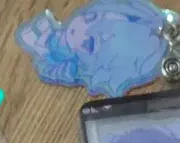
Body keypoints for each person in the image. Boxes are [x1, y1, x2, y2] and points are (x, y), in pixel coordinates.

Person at [15, 0, 168, 97]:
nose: (77, 30)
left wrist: (43, 52)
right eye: (91, 18)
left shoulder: (71, 69)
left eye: (89, 43)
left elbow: (50, 70)